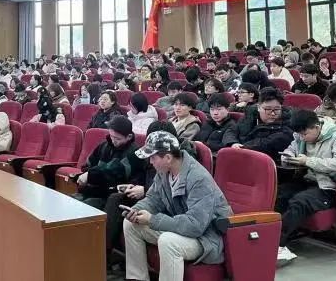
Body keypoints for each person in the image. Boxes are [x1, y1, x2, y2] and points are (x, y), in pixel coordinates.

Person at [123, 131, 232, 281]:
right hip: (180, 228)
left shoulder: (199, 179)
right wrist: (136, 210)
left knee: (168, 241)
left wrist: (152, 220)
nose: (150, 162)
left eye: (153, 157)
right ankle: (137, 278)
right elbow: (153, 199)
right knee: (131, 223)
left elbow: (195, 225)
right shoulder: (164, 171)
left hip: (205, 238)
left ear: (168, 158)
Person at [104, 121, 198, 265]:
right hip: (150, 195)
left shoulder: (186, 167)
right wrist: (135, 186)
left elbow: (173, 195)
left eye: (153, 157)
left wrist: (145, 191)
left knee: (117, 201)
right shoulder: (156, 158)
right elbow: (148, 179)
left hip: (174, 211)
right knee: (119, 203)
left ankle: (103, 254)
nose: (150, 160)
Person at [276, 110, 336, 264]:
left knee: (300, 202)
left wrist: (308, 161)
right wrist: (287, 156)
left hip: (330, 186)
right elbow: (291, 148)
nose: (302, 138)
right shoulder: (301, 135)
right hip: (307, 180)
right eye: (299, 135)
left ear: (317, 127)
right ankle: (273, 237)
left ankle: (278, 244)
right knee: (279, 194)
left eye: (305, 134)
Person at [73, 116, 145, 209]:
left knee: (82, 207)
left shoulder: (134, 153)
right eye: (111, 136)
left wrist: (90, 175)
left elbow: (112, 172)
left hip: (112, 196)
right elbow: (88, 165)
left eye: (118, 138)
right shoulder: (104, 146)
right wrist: (85, 175)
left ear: (129, 137)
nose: (113, 141)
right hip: (93, 191)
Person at [222, 87, 294, 162]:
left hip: (264, 161)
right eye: (268, 109)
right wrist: (233, 143)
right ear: (259, 107)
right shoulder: (249, 115)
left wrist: (241, 148)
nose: (273, 113)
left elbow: (266, 144)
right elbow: (232, 130)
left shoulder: (288, 123)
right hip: (239, 155)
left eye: (277, 109)